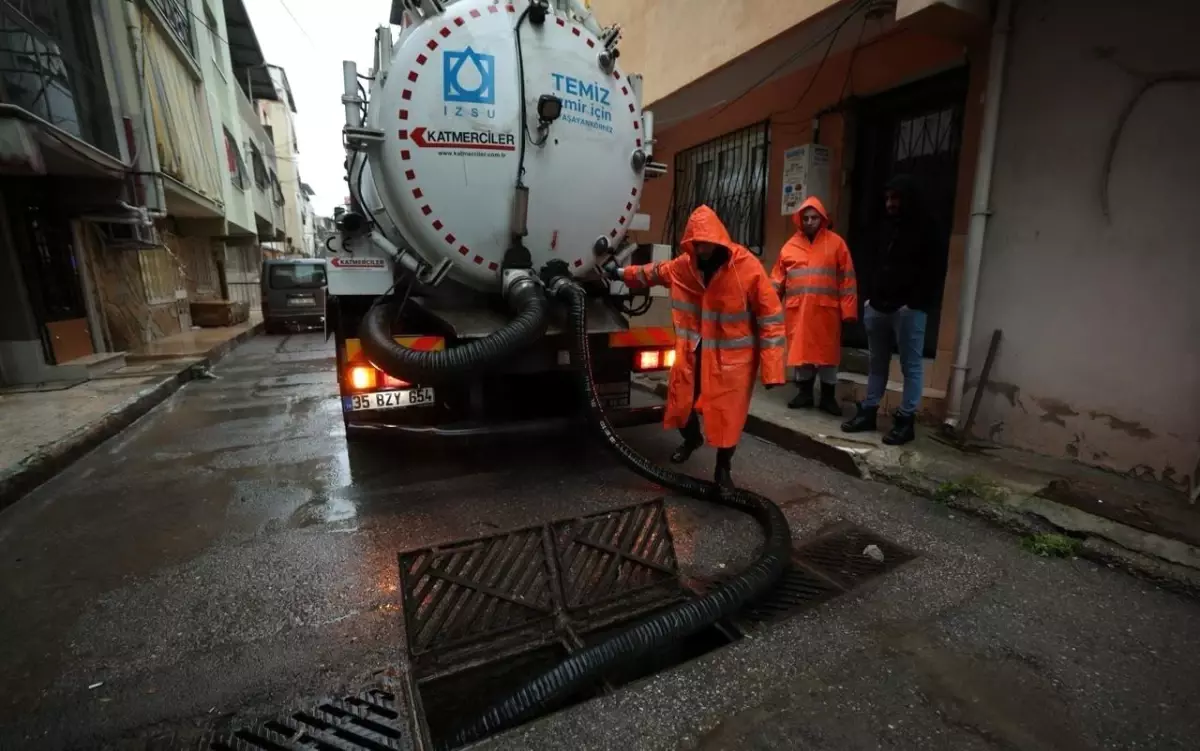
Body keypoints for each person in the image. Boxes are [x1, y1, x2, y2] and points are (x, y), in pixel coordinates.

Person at [609, 205, 786, 488]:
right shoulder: (684, 267)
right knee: (681, 404)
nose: (701, 250)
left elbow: (771, 317)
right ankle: (692, 439)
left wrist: (773, 369)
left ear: (719, 240)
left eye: (705, 243)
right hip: (693, 352)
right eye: (696, 244)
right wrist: (618, 273)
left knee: (727, 415)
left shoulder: (747, 268)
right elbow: (652, 273)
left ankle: (723, 467)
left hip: (733, 360)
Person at [842, 174, 944, 445]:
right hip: (878, 306)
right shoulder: (883, 227)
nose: (890, 203)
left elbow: (934, 270)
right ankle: (868, 412)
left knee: (911, 366)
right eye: (887, 198)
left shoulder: (927, 228)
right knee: (876, 364)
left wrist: (916, 302)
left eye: (895, 198)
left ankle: (905, 420)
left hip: (908, 309)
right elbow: (868, 262)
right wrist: (869, 299)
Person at [770, 196, 858, 416]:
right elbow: (776, 280)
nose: (809, 221)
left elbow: (847, 280)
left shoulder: (836, 244)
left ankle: (828, 397)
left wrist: (848, 311)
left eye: (814, 218)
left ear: (822, 219)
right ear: (800, 220)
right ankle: (805, 393)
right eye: (806, 218)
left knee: (828, 358)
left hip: (826, 312)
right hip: (798, 311)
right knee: (802, 355)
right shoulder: (789, 247)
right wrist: (768, 305)